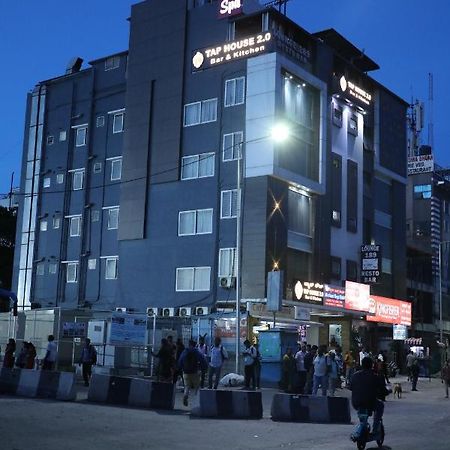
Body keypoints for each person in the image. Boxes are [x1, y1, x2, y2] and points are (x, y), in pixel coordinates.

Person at [349, 356, 388, 435]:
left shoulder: (354, 376)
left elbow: (350, 387)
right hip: (370, 402)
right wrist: (386, 392)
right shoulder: (375, 376)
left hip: (356, 403)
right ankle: (375, 428)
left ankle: (363, 425)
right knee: (380, 406)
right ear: (371, 365)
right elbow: (382, 389)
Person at [178, 339, 207, 406]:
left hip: (186, 372)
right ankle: (196, 401)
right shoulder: (196, 352)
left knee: (187, 386)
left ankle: (185, 395)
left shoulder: (185, 351)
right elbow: (202, 360)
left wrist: (180, 368)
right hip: (194, 372)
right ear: (194, 345)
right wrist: (204, 368)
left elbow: (180, 360)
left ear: (189, 344)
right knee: (197, 387)